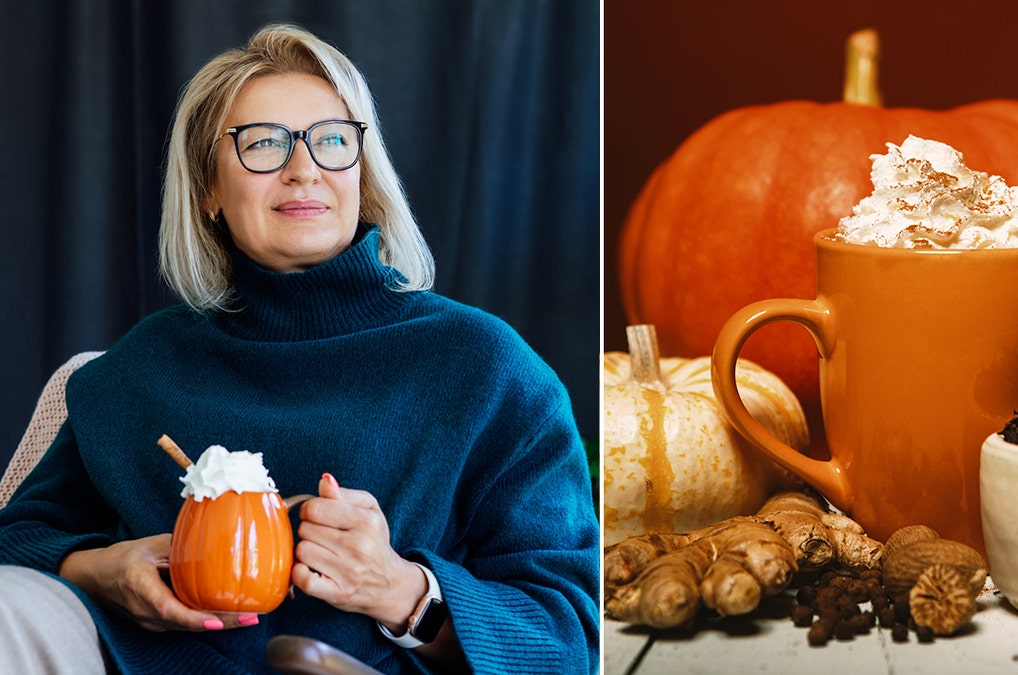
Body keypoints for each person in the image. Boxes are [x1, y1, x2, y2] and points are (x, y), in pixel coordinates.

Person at [0, 23, 599, 674]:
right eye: (262, 144)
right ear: (207, 189)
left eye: (332, 141)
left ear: (362, 174)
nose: (304, 169)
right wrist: (99, 569)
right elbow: (17, 538)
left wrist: (401, 591)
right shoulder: (141, 368)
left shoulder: (486, 368)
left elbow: (570, 631)